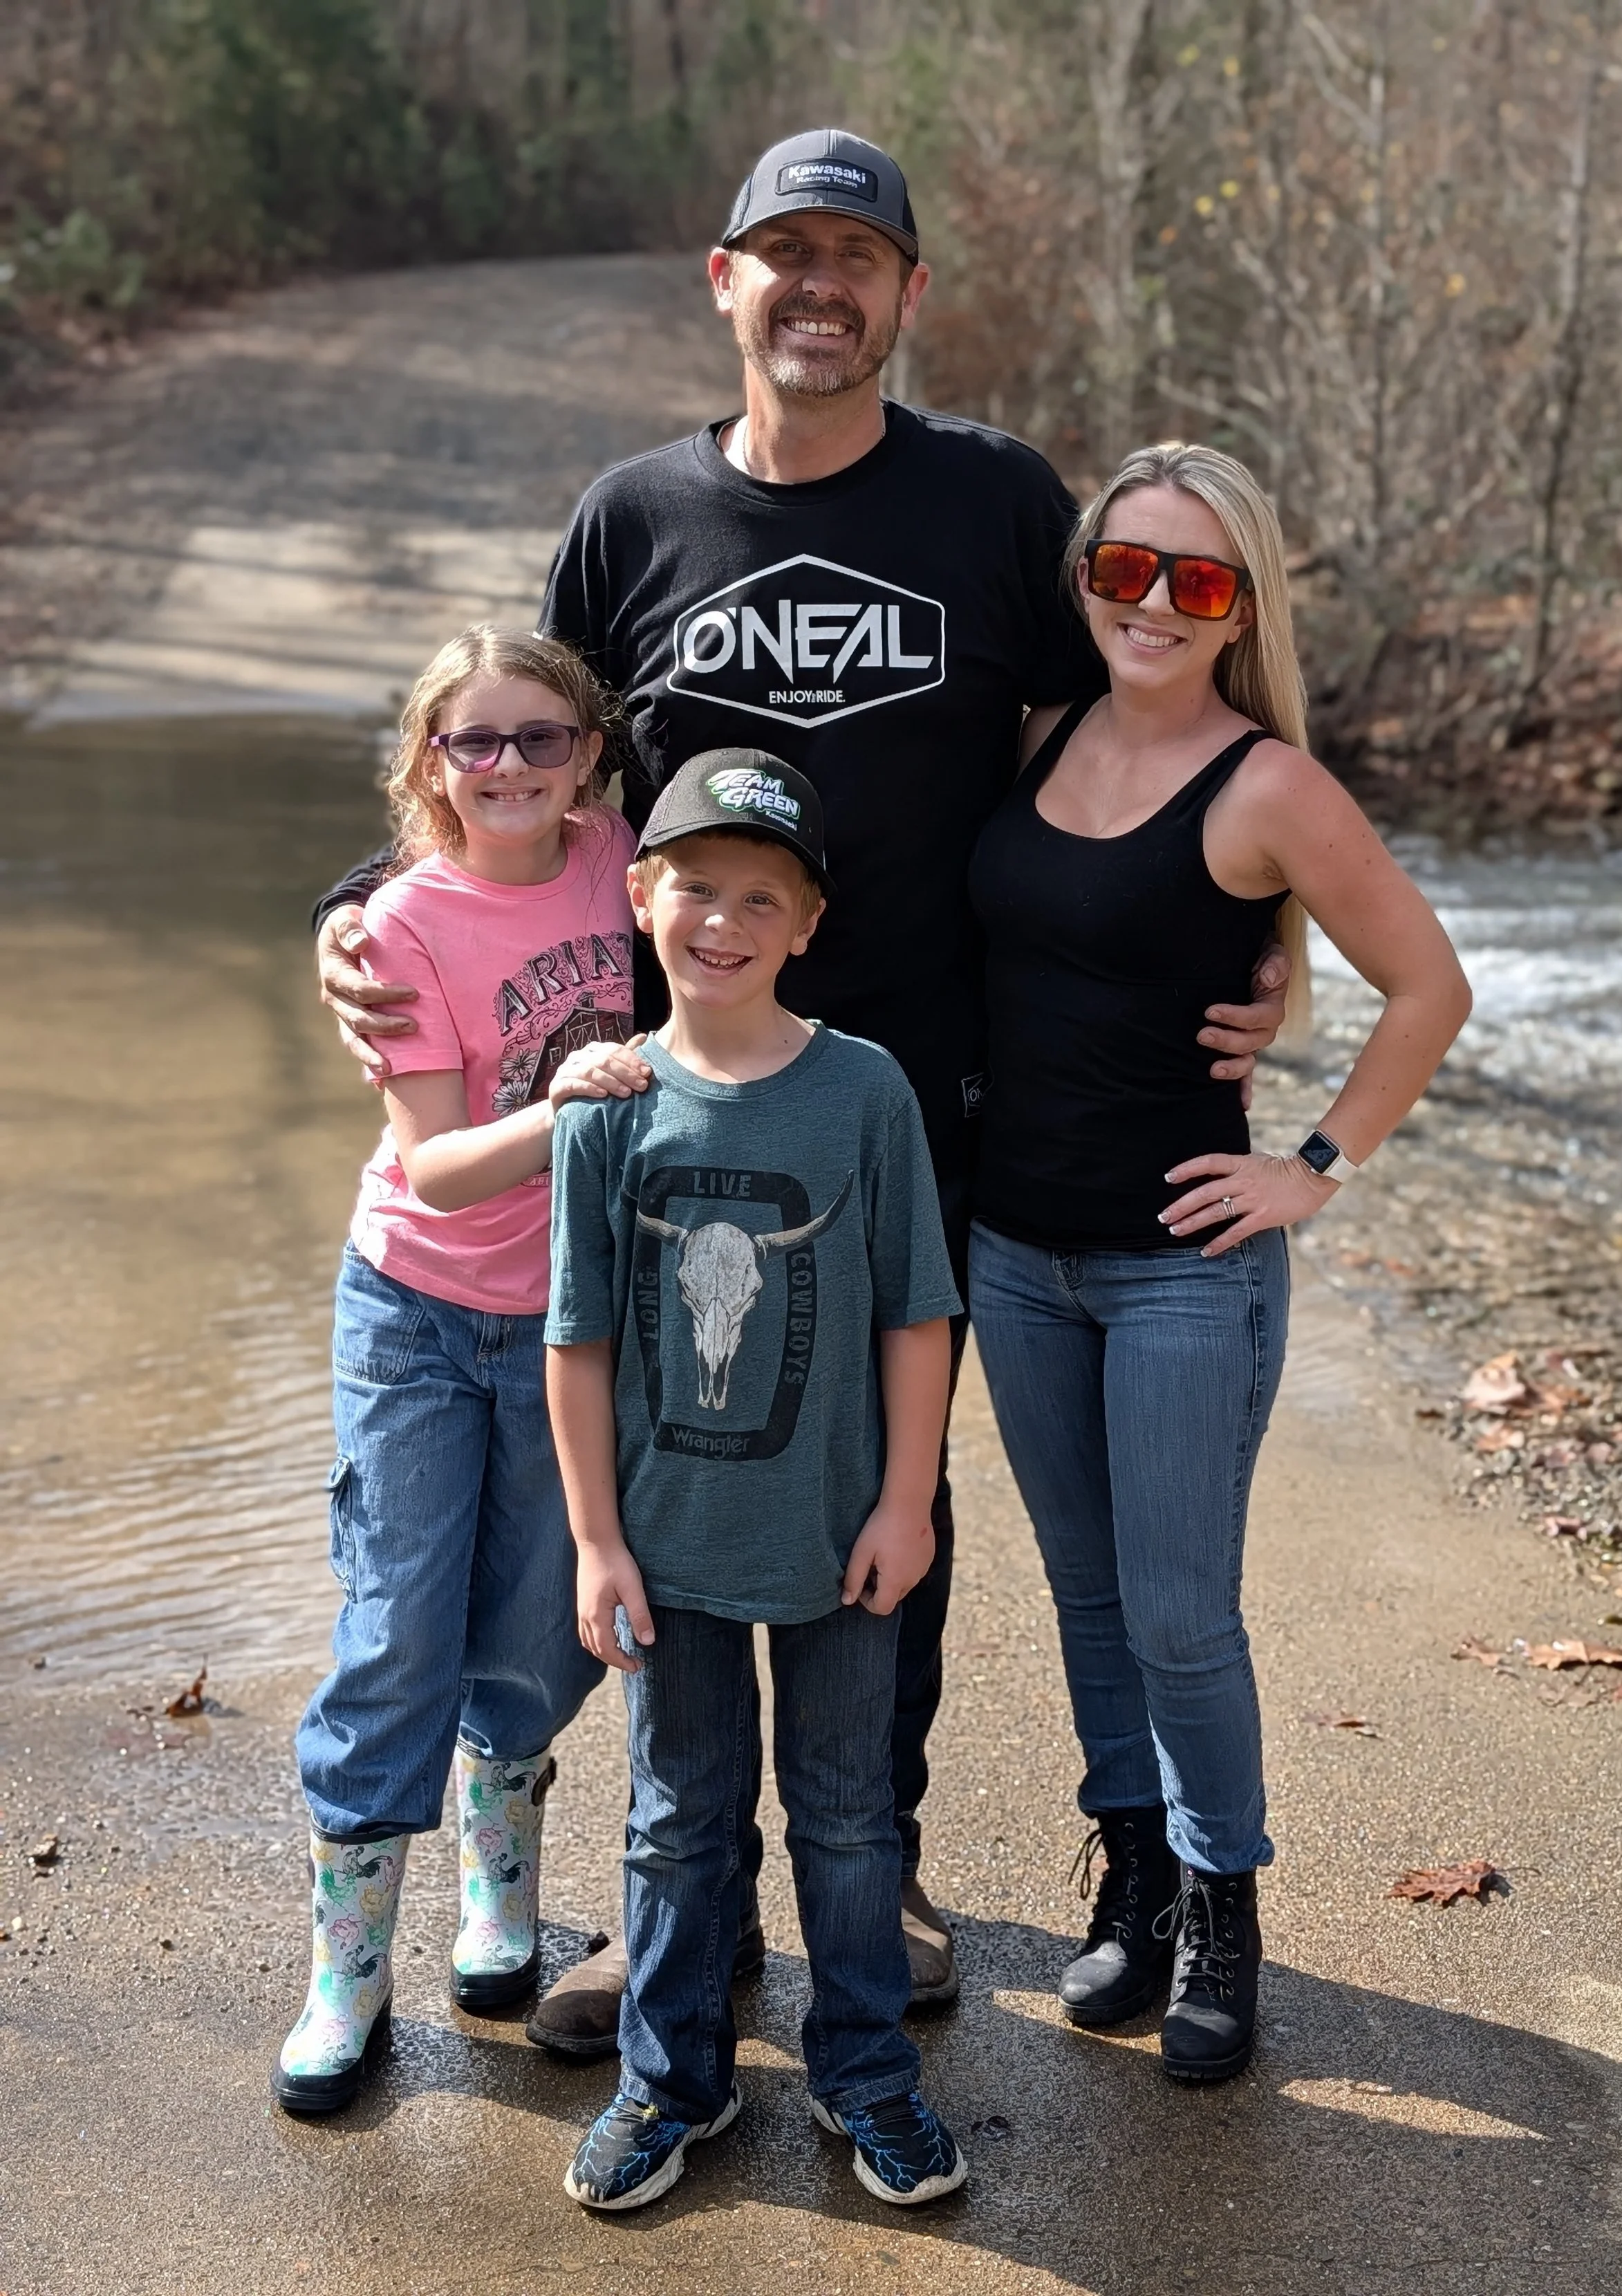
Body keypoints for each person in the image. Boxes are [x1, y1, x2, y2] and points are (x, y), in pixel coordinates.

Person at [310, 127, 1290, 2037]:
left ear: (908, 293)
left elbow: (1137, 734)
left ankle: (874, 1861)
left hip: (917, 1098)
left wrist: (1244, 944)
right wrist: (370, 902)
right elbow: (518, 775)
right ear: (724, 283)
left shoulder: (999, 501)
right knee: (670, 1478)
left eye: (858, 255)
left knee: (867, 1492)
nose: (819, 286)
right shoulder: (629, 516)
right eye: (785, 254)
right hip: (668, 1104)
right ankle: (673, 1903)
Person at [966, 443, 1473, 2081]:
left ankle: (1220, 1908)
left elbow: (1427, 988)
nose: (1152, 606)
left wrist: (1308, 1168)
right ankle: (1128, 1872)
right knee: (1086, 1595)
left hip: (1179, 1268)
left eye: (1192, 581)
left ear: (1237, 603)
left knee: (1181, 1613)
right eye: (1123, 570)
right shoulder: (1037, 735)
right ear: (1088, 581)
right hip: (1014, 1251)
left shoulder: (1267, 787)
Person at [546, 750, 968, 2212]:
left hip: (840, 1533)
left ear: (806, 923)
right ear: (640, 896)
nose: (720, 922)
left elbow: (919, 1308)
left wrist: (906, 1498)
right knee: (673, 1816)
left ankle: (864, 2070)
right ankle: (674, 2078)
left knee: (848, 1814)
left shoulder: (862, 1090)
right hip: (667, 1545)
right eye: (695, 889)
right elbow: (578, 1339)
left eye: (758, 899)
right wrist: (597, 1541)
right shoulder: (606, 1103)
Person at [273, 625, 643, 2115]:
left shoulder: (621, 856)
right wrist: (571, 1102)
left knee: (537, 1630)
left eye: (538, 739)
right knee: (393, 1628)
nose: (506, 766)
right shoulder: (405, 923)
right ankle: (345, 1978)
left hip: (573, 1313)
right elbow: (434, 1169)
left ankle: (500, 1897)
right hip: (418, 1313)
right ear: (428, 763)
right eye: (471, 741)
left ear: (588, 762)